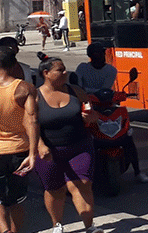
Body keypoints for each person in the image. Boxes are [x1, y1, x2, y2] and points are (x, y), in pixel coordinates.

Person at [34, 56, 104, 233]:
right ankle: (57, 225)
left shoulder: (76, 91)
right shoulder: (35, 96)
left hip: (79, 146)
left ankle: (89, 226)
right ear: (46, 73)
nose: (65, 73)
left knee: (83, 183)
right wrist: (40, 145)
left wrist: (92, 118)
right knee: (55, 190)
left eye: (65, 69)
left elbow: (92, 113)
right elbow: (30, 124)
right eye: (60, 70)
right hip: (49, 151)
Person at [75, 43, 148, 184]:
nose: (100, 56)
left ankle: (138, 171)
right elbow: (79, 86)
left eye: (101, 53)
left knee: (127, 136)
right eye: (96, 53)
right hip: (88, 104)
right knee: (81, 133)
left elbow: (104, 89)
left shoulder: (111, 70)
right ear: (90, 55)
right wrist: (85, 93)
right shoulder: (82, 68)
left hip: (107, 103)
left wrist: (92, 91)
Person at [0, 46, 39, 233]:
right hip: (19, 151)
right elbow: (32, 120)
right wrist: (33, 154)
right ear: (15, 64)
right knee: (17, 199)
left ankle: (5, 231)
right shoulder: (25, 88)